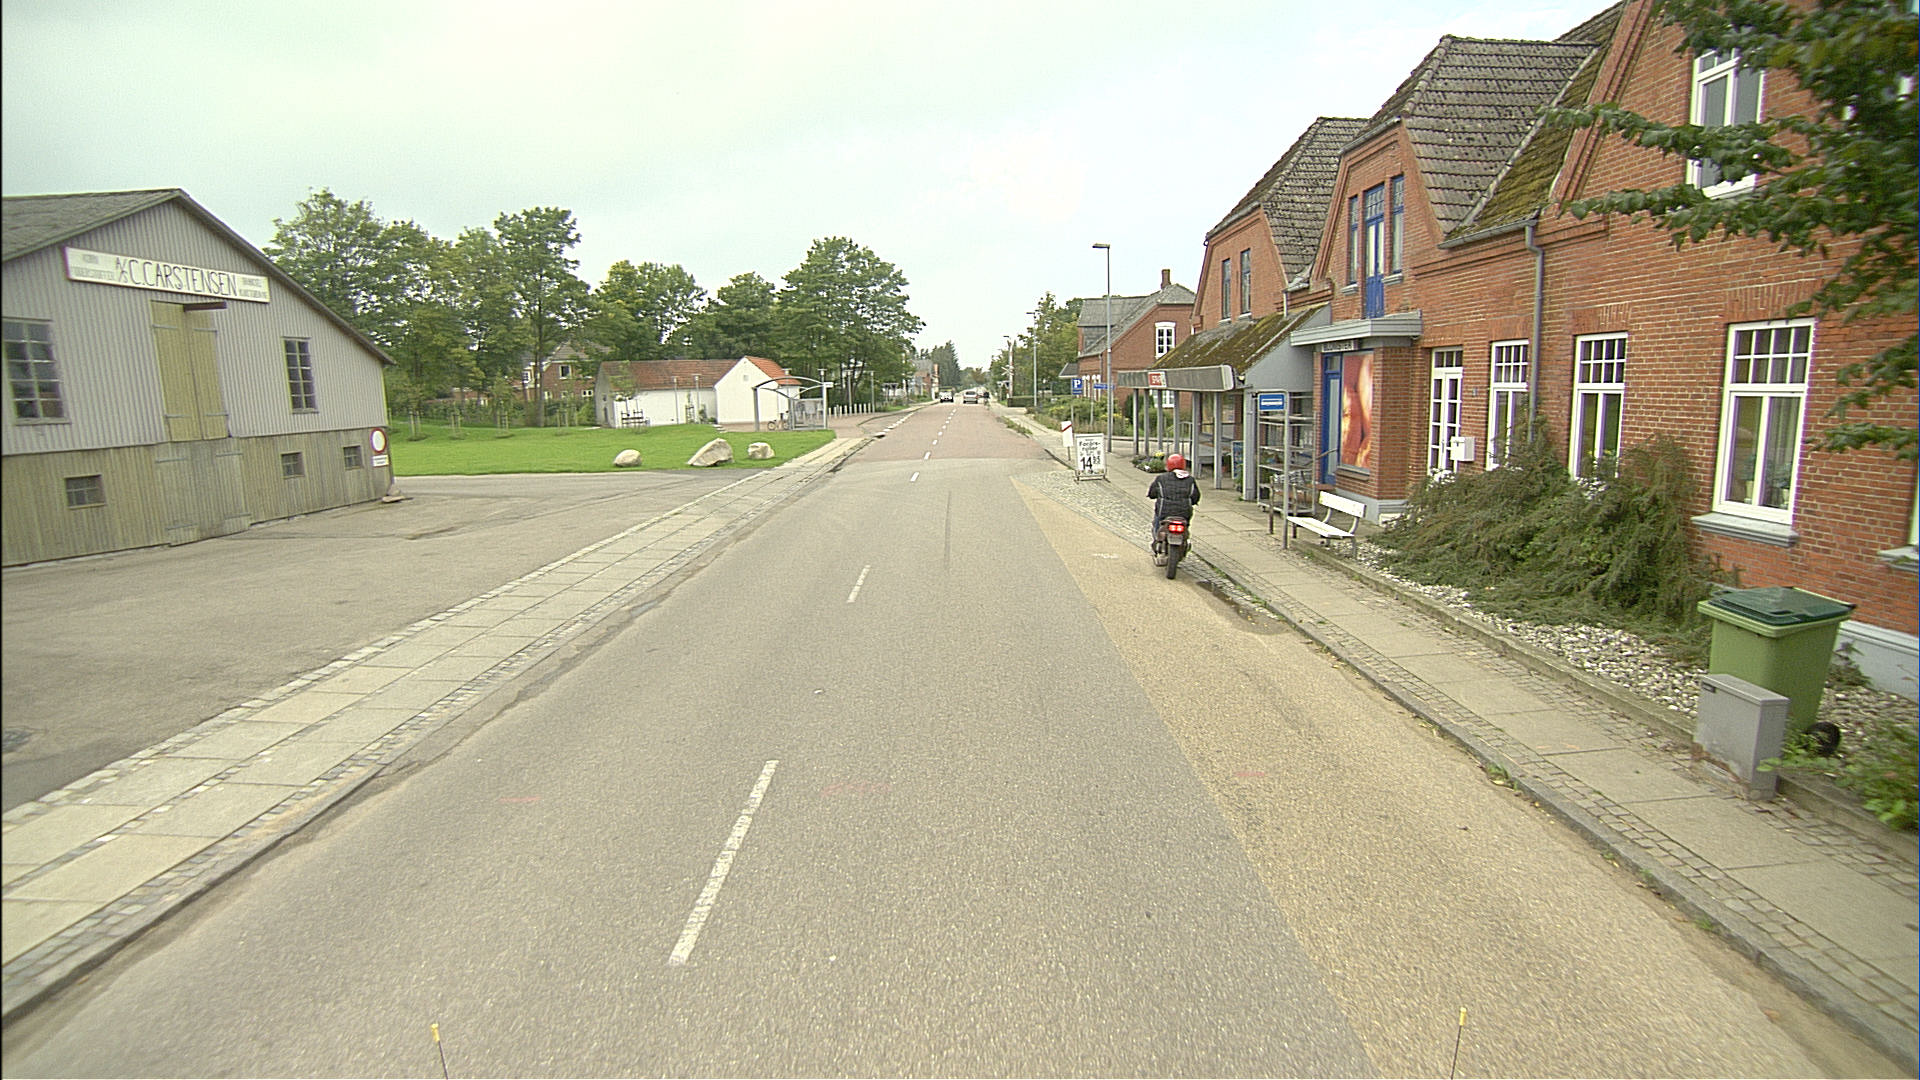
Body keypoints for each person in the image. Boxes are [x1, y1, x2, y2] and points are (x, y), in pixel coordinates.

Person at [1147, 453, 1201, 564]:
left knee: (1157, 523)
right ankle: (1185, 540)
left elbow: (1152, 493)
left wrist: (1153, 495)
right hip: (1184, 513)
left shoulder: (1161, 479)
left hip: (1164, 512)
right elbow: (1195, 496)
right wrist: (1193, 502)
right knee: (1186, 525)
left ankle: (1157, 539)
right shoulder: (1190, 480)